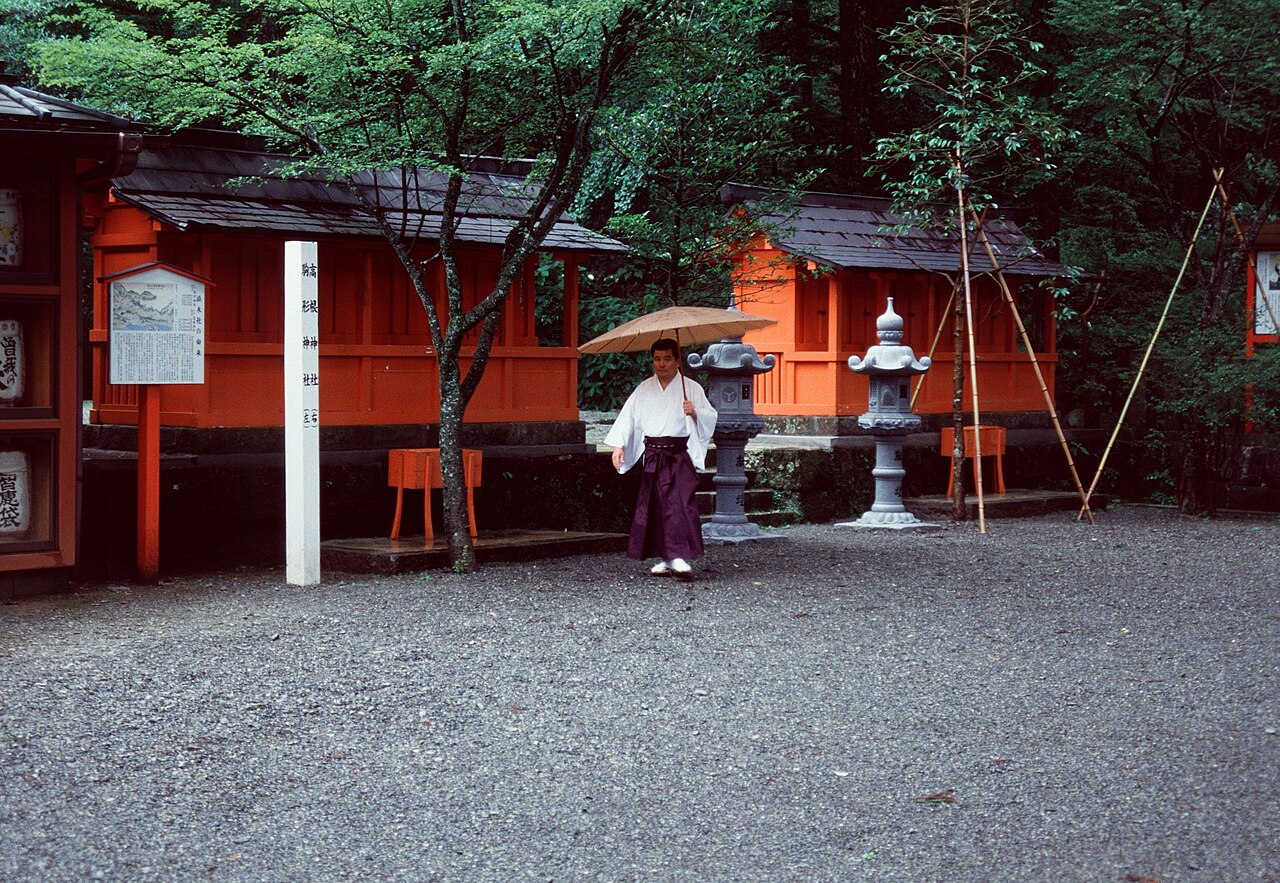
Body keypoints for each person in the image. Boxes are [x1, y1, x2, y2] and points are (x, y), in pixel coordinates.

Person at [605, 338, 717, 576]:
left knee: (680, 505)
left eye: (667, 358)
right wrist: (619, 446)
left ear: (677, 360)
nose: (662, 364)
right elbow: (629, 419)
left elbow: (710, 418)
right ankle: (667, 558)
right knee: (655, 506)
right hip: (654, 455)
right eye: (657, 359)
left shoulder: (691, 388)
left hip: (678, 455)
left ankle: (679, 556)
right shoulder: (644, 388)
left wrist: (694, 412)